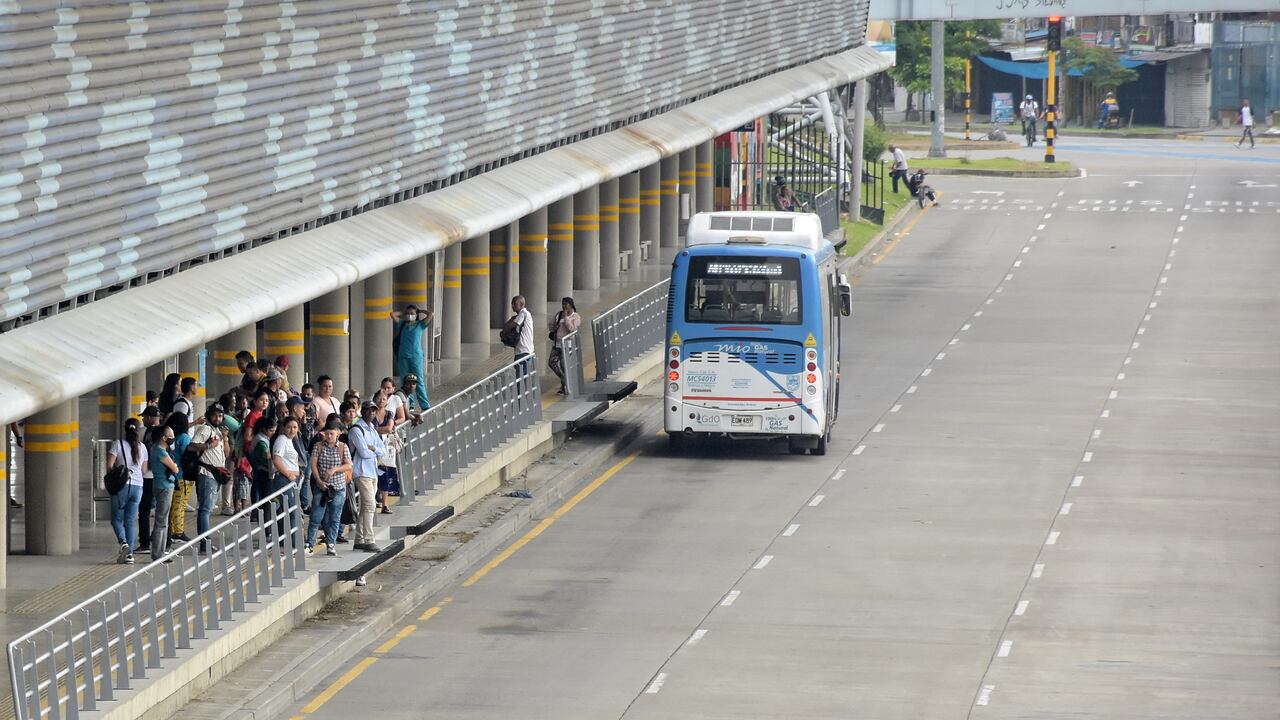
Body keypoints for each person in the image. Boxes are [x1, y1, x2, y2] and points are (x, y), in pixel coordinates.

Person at [307, 416, 353, 557]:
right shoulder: (318, 446)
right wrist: (319, 481)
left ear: (338, 433)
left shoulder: (342, 447)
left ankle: (331, 543)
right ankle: (310, 544)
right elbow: (313, 464)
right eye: (326, 433)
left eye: (331, 433)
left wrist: (334, 470)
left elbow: (349, 465)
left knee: (335, 516)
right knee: (316, 516)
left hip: (338, 488)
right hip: (322, 486)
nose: (328, 436)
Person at [188, 404, 230, 550]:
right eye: (214, 415)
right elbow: (191, 446)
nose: (217, 418)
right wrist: (207, 447)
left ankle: (205, 542)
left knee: (208, 509)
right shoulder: (205, 429)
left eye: (220, 416)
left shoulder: (218, 431)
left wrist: (225, 438)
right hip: (207, 473)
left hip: (216, 473)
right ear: (209, 415)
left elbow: (226, 453)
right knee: (205, 509)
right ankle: (204, 543)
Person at [107, 418, 148, 564]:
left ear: (125, 429)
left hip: (121, 486)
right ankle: (129, 554)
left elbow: (109, 466)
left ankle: (123, 542)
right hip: (138, 487)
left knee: (116, 519)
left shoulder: (117, 445)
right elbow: (143, 470)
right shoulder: (142, 447)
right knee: (130, 521)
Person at [348, 401, 386, 552]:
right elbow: (363, 452)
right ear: (362, 411)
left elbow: (383, 450)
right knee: (370, 504)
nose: (371, 412)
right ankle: (369, 539)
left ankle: (359, 539)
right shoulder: (356, 430)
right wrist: (374, 450)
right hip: (361, 471)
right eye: (368, 410)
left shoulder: (372, 429)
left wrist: (374, 448)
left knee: (366, 506)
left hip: (372, 471)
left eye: (373, 410)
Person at [391, 305, 433, 410]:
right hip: (403, 356)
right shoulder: (402, 324)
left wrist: (420, 311)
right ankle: (409, 404)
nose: (410, 315)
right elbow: (392, 314)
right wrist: (403, 313)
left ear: (416, 315)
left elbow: (430, 314)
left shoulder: (420, 325)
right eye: (408, 313)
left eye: (412, 314)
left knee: (418, 381)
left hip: (416, 357)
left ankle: (425, 405)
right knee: (405, 380)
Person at [148, 425, 179, 562]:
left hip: (158, 484)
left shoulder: (154, 449)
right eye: (171, 436)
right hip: (165, 487)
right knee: (162, 522)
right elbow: (175, 468)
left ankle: (158, 552)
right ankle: (158, 554)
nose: (173, 439)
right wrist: (175, 466)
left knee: (161, 520)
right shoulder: (161, 452)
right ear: (164, 438)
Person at [270, 416, 303, 543]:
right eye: (289, 427)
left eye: (295, 427)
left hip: (291, 480)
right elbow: (277, 460)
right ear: (283, 428)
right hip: (284, 480)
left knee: (287, 511)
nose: (292, 430)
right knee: (292, 511)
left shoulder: (290, 441)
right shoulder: (282, 440)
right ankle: (294, 544)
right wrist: (289, 474)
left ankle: (285, 541)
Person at [135, 405, 163, 553]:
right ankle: (163, 542)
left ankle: (145, 543)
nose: (143, 420)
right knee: (162, 511)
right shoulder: (165, 432)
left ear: (152, 418)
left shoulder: (151, 434)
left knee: (144, 510)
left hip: (149, 476)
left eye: (145, 417)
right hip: (161, 476)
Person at [372, 387, 404, 510]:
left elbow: (389, 428)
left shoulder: (389, 413)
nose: (381, 401)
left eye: (384, 399)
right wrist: (379, 430)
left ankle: (385, 503)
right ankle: (375, 499)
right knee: (374, 473)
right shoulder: (371, 413)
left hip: (385, 446)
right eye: (379, 398)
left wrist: (374, 430)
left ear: (387, 401)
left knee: (385, 473)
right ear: (374, 399)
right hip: (373, 446)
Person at [165, 413, 194, 543]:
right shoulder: (184, 438)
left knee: (174, 504)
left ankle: (172, 529)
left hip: (174, 475)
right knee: (180, 504)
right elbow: (187, 455)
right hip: (184, 475)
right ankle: (178, 532)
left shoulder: (173, 438)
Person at [547, 297, 582, 394]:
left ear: (571, 305)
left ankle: (564, 386)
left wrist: (566, 318)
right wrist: (553, 327)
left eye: (566, 304)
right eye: (563, 304)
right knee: (551, 362)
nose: (564, 306)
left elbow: (573, 329)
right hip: (557, 343)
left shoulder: (576, 316)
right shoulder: (559, 314)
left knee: (563, 365)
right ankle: (564, 379)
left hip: (567, 345)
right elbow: (550, 325)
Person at [507, 295, 535, 361]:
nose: (512, 306)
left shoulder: (523, 313)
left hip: (523, 350)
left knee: (521, 370)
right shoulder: (523, 314)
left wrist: (510, 322)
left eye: (515, 304)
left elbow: (511, 325)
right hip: (524, 349)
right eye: (512, 304)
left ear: (521, 304)